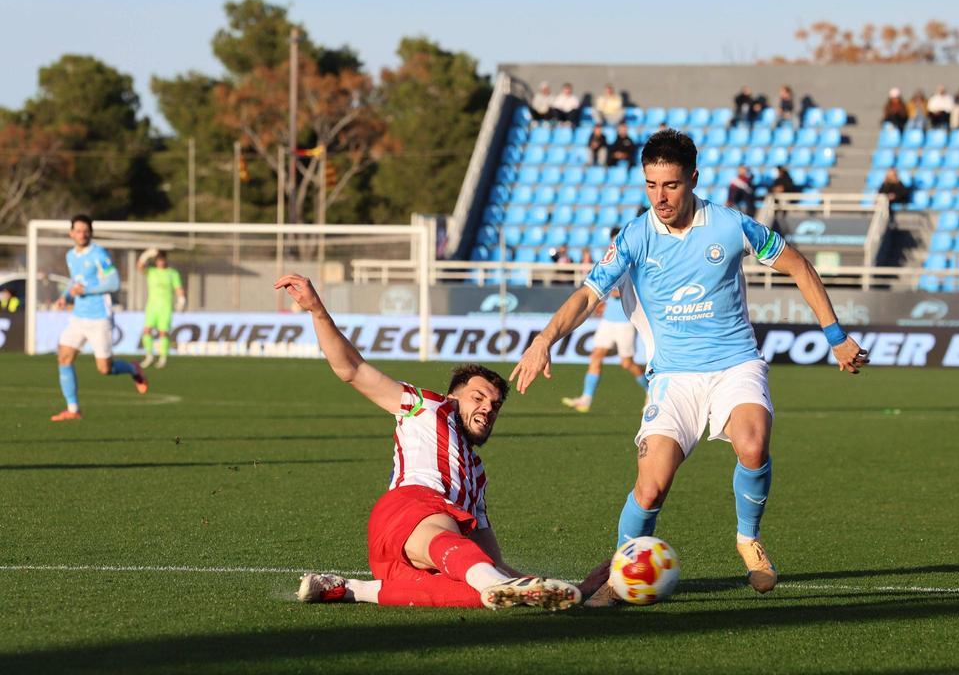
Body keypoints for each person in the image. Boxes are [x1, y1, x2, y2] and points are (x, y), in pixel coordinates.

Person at [509, 129, 867, 604]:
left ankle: (748, 539)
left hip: (735, 363)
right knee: (651, 487)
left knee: (753, 446)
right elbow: (586, 295)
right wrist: (543, 340)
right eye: (651, 185)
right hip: (673, 377)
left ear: (693, 179)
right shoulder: (635, 236)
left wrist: (836, 336)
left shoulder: (731, 225)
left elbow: (799, 265)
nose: (660, 197)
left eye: (671, 185)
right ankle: (621, 576)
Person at [277, 274, 580, 611]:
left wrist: (565, 591)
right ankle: (492, 585)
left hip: (404, 561)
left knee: (477, 594)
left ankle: (351, 589)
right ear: (454, 396)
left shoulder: (477, 476)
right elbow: (352, 369)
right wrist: (318, 312)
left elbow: (491, 561)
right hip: (409, 508)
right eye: (478, 397)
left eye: (494, 405)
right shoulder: (426, 405)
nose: (487, 408)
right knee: (463, 553)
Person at [50, 214, 148, 421]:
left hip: (99, 317)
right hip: (78, 317)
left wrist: (85, 290)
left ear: (91, 233)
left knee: (105, 369)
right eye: (78, 231)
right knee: (64, 357)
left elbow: (113, 283)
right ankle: (73, 409)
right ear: (71, 233)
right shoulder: (70, 256)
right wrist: (64, 297)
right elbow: (75, 283)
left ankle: (133, 368)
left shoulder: (98, 254)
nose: (82, 234)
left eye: (86, 231)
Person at [562, 234, 650, 413]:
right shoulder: (610, 259)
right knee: (596, 355)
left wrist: (604, 288)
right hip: (608, 319)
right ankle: (586, 399)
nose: (614, 243)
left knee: (627, 363)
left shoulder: (632, 260)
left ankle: (652, 392)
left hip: (625, 320)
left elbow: (619, 290)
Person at [137, 249, 185, 369]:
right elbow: (139, 267)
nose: (161, 262)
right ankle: (149, 355)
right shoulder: (151, 272)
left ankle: (163, 357)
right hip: (152, 306)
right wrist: (146, 255)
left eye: (162, 259)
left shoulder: (172, 273)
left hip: (166, 306)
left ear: (165, 260)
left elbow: (178, 287)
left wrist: (181, 299)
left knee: (163, 332)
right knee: (147, 331)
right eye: (158, 260)